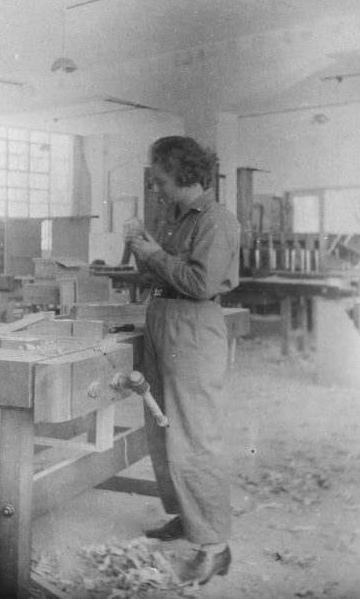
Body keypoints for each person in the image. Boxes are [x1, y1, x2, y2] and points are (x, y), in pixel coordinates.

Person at [126, 136, 240, 585]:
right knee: (162, 428)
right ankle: (186, 517)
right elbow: (159, 271)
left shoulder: (217, 221)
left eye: (159, 180)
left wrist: (153, 253)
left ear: (180, 174)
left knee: (195, 436)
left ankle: (214, 545)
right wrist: (141, 248)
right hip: (163, 317)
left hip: (192, 325)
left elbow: (198, 282)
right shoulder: (174, 218)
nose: (155, 188)